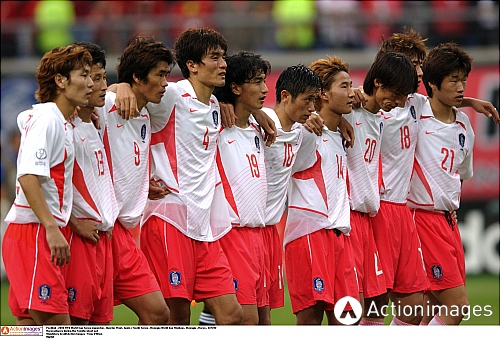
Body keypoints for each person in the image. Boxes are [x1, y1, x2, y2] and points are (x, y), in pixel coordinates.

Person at [361, 28, 499, 326]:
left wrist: (471, 101)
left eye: (419, 67)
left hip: (416, 214)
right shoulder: (373, 107)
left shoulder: (416, 104)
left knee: (417, 307)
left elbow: (441, 97)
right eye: (411, 65)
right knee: (379, 300)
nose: (417, 73)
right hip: (387, 208)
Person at [2, 44, 93, 325]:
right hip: (35, 233)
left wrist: (71, 223)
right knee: (59, 327)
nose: (90, 82)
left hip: (40, 232)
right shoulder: (47, 120)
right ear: (61, 81)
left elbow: (52, 184)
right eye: (84, 74)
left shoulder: (60, 121)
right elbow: (27, 175)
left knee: (30, 328)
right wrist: (52, 228)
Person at [98, 35, 174, 325]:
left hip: (122, 231)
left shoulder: (145, 117)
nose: (166, 82)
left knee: (157, 314)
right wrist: (117, 87)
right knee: (90, 322)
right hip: (99, 226)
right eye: (160, 75)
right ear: (137, 78)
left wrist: (143, 186)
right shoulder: (106, 104)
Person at [339, 51, 420, 320]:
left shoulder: (381, 118)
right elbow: (313, 103)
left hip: (368, 215)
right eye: (395, 93)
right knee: (353, 309)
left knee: (376, 306)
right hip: (347, 217)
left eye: (403, 96)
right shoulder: (350, 108)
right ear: (377, 83)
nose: (398, 102)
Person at [283, 56, 359, 325]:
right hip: (310, 234)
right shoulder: (303, 133)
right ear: (323, 95)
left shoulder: (341, 134)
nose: (352, 93)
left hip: (341, 237)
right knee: (310, 321)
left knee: (350, 322)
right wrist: (303, 122)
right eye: (344, 86)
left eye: (352, 86)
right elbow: (279, 126)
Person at [407, 42, 475, 326]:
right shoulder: (415, 111)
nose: (461, 88)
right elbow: (376, 97)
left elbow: (460, 173)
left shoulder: (464, 126)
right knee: (457, 307)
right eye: (453, 80)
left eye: (464, 81)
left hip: (448, 223)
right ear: (432, 83)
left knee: (429, 308)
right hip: (421, 220)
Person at [212, 51, 271, 325]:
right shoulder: (216, 127)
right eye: (257, 81)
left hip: (260, 237)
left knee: (261, 321)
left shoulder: (260, 129)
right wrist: (218, 102)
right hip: (233, 234)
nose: (264, 88)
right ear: (235, 88)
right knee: (242, 321)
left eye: (264, 80)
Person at [64, 41, 118, 325]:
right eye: (93, 78)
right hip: (81, 235)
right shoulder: (64, 127)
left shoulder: (95, 122)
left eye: (102, 78)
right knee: (76, 324)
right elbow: (41, 184)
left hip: (103, 239)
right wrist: (74, 223)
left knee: (100, 324)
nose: (101, 86)